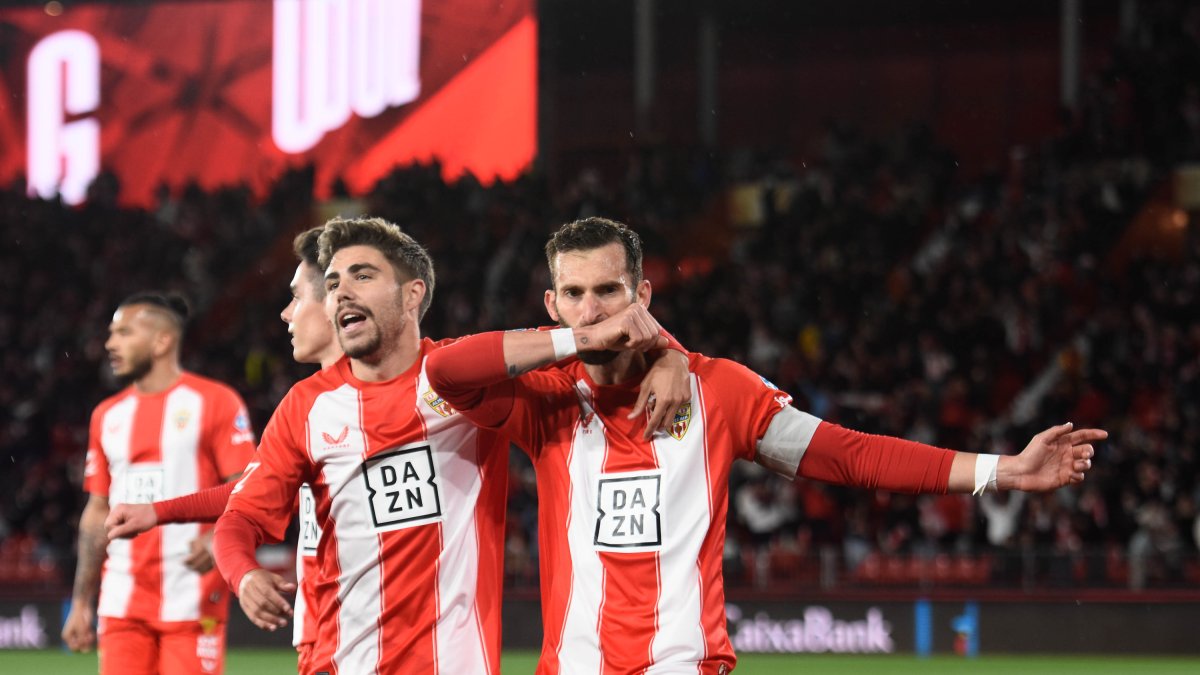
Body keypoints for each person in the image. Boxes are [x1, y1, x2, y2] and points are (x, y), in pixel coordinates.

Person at [425, 216, 1107, 673]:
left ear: (644, 292)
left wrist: (1003, 472)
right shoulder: (543, 399)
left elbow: (852, 454)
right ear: (551, 306)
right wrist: (597, 342)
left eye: (609, 291)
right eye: (574, 294)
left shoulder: (717, 390)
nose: (592, 307)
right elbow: (445, 370)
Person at [208, 216, 689, 674]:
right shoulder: (305, 408)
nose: (342, 292)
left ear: (412, 293)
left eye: (363, 275)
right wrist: (244, 575)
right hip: (342, 662)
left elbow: (613, 334)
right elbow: (241, 517)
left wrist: (671, 357)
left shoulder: (477, 378)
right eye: (332, 283)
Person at [104, 227, 339, 672]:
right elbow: (249, 496)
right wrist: (158, 514)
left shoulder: (426, 388)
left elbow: (241, 490)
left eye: (295, 298)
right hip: (320, 636)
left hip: (380, 637)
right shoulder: (302, 406)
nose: (285, 314)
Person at [62, 291, 257, 675]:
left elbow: (249, 488)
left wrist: (216, 535)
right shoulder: (107, 415)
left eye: (123, 333)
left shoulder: (216, 402)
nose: (110, 343)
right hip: (121, 602)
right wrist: (81, 602)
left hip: (192, 598)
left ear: (162, 341)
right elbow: (96, 512)